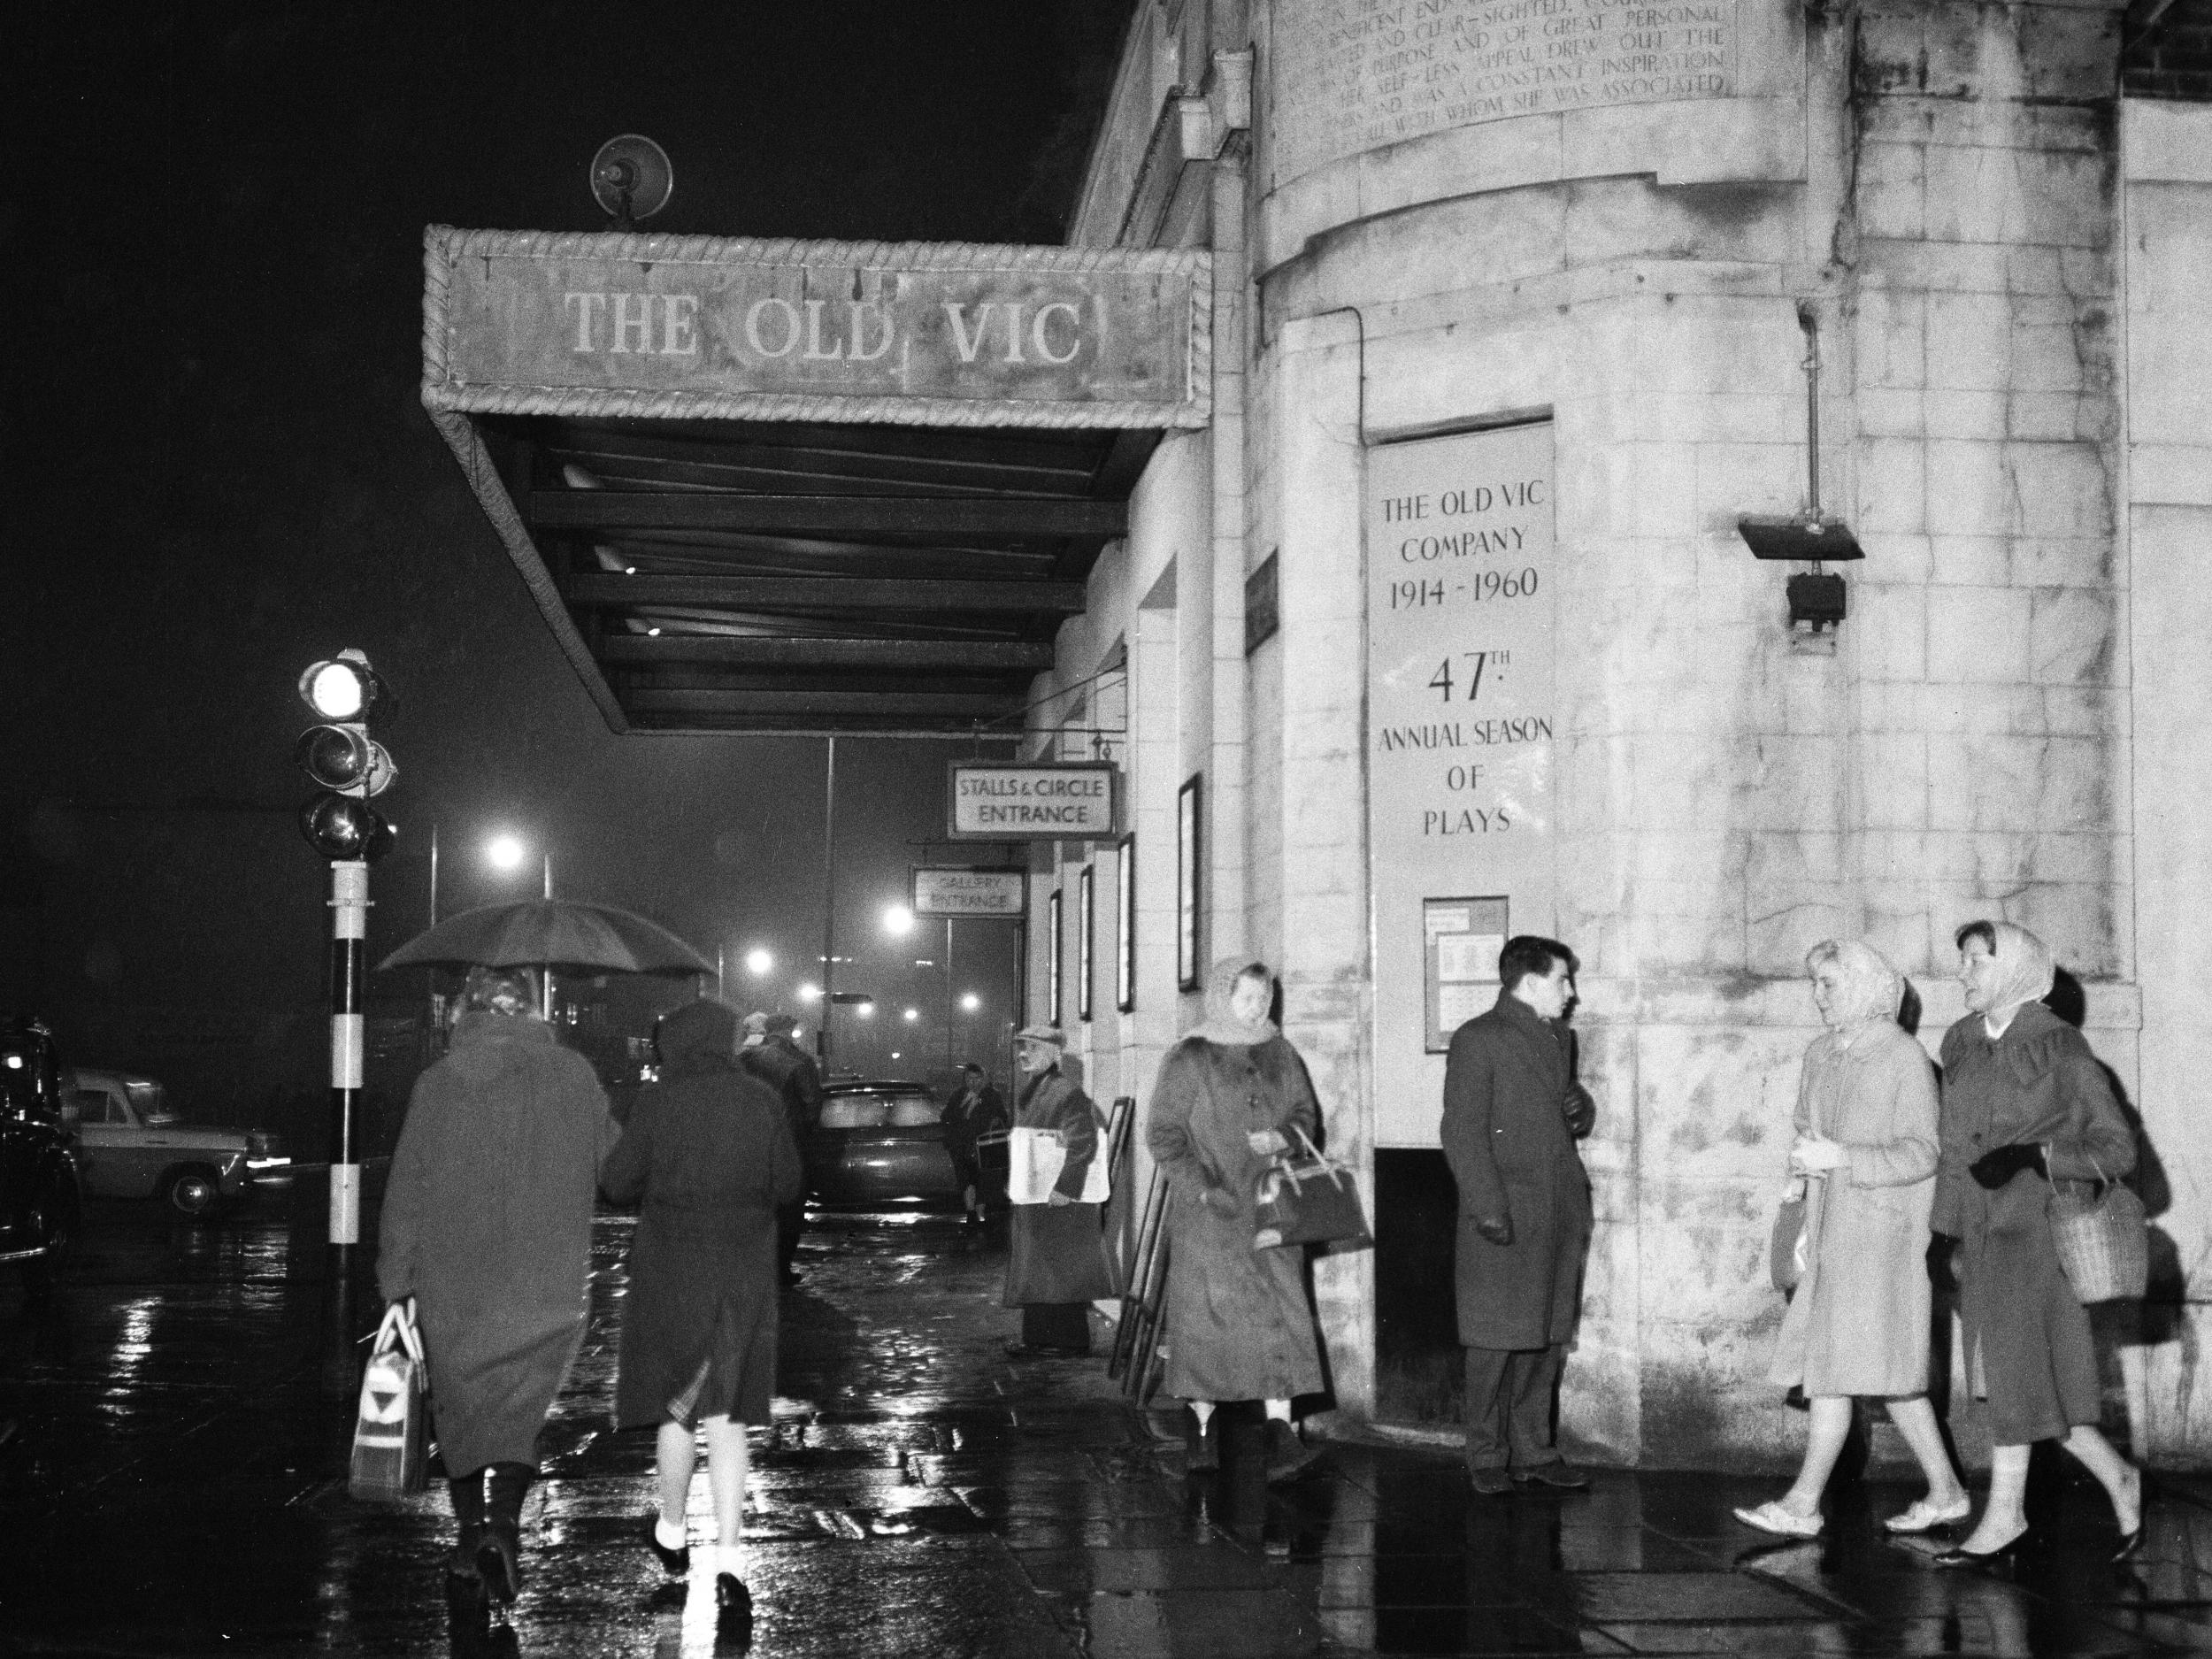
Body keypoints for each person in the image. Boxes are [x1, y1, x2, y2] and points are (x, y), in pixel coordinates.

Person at [377, 965, 616, 1614]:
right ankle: (505, 1527)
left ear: (466, 1011)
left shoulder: (439, 1082)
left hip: (455, 1281)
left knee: (459, 1414)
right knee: (515, 1416)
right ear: (533, 1009)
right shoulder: (575, 1075)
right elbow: (617, 1169)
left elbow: (408, 1187)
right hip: (549, 1281)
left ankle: (468, 1536)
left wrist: (395, 1280)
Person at [1732, 940, 1970, 1539]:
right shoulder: (1820, 1053)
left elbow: (1924, 1152)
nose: (1817, 995)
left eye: (1829, 983)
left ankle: (1804, 1502)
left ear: (1865, 988)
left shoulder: (1903, 1057)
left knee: (1842, 1366)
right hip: (1831, 1228)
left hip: (1883, 1235)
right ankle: (1946, 1491)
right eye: (1814, 982)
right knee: (1877, 1370)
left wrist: (1841, 1156)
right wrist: (1799, 1177)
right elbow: (1805, 1129)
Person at [1928, 920, 2144, 1567]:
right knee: (2025, 1382)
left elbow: (2118, 1149)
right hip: (1978, 1234)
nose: (1963, 973)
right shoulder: (1961, 1041)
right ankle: (2122, 1480)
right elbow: (1950, 1149)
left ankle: (2005, 1515)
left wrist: (2035, 1153)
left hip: (2039, 1238)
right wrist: (1941, 1231)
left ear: (2016, 970)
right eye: (1962, 960)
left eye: (1976, 961)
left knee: (2017, 1378)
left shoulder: (2061, 1046)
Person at [601, 999, 802, 1627]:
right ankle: (732, 1560)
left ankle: (671, 1525)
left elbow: (617, 1181)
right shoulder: (761, 1099)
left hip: (671, 1274)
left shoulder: (659, 1101)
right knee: (730, 1412)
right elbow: (790, 1182)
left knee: (678, 1405)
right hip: (741, 1272)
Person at [1146, 959, 1327, 1484]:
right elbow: (1164, 1135)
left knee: (1281, 1320)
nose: (1256, 1009)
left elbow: (1305, 1114)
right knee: (1209, 1329)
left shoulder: (1280, 1051)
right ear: (1223, 997)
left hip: (1271, 1210)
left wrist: (1286, 1137)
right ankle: (1202, 1432)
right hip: (1212, 1218)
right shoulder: (1189, 1056)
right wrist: (1203, 1190)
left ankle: (1280, 1434)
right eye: (1245, 999)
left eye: (1263, 999)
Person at [1440, 934, 1596, 1494]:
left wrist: (1581, 1107)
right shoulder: (1478, 1038)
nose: (1570, 992)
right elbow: (1460, 1130)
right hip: (1505, 1208)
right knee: (1494, 1337)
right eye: (1563, 980)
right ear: (1530, 983)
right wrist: (1486, 1207)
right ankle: (1485, 1454)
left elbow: (1554, 1112)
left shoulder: (1558, 1038)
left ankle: (1534, 1449)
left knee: (1545, 1334)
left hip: (1558, 1206)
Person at [1002, 1025, 1117, 1357]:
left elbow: (1083, 1142)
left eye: (1032, 1048)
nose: (1023, 1053)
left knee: (1059, 1275)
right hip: (1039, 1199)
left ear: (1053, 1054)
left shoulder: (1065, 1092)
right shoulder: (1038, 1090)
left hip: (1059, 1201)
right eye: (1021, 1047)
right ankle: (1039, 1340)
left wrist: (1066, 1188)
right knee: (1041, 1272)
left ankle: (1066, 1342)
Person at [739, 1011, 824, 1284]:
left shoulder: (745, 1058)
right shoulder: (801, 1061)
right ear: (791, 1031)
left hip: (750, 1144)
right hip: (788, 1143)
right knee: (789, 1209)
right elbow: (812, 1106)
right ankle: (781, 1270)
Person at [943, 1061, 1010, 1225]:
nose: (973, 1082)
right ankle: (971, 1213)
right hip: (962, 1146)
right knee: (967, 1181)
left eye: (977, 1078)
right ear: (964, 1079)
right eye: (969, 1078)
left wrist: (994, 1120)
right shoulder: (958, 1095)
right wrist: (962, 1110)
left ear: (983, 1078)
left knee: (982, 1181)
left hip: (983, 1147)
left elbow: (1003, 1117)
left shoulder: (991, 1095)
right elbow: (945, 1117)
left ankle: (978, 1216)